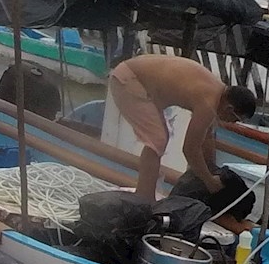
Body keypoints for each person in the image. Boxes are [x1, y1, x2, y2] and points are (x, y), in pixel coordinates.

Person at [106, 54, 257, 201]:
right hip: (129, 81)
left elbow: (206, 137)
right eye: (234, 120)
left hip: (134, 78)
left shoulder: (216, 91)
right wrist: (209, 181)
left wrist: (212, 170)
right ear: (229, 109)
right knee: (157, 140)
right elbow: (190, 149)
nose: (230, 123)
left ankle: (145, 195)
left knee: (160, 137)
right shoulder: (209, 103)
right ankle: (144, 197)